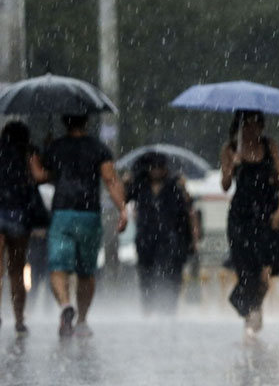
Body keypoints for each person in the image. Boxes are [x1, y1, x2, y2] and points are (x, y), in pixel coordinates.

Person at [42, 114, 127, 337]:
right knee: (86, 271)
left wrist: (45, 149)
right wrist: (123, 209)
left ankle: (64, 304)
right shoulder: (99, 149)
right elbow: (110, 180)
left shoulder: (56, 147)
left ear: (65, 122)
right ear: (86, 122)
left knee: (58, 268)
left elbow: (42, 175)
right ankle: (82, 320)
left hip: (62, 212)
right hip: (89, 215)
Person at [220, 110, 279, 335]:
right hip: (241, 217)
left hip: (266, 217)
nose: (251, 130)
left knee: (265, 273)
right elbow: (225, 185)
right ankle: (251, 315)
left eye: (256, 125)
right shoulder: (230, 149)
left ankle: (249, 306)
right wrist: (233, 165)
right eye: (246, 125)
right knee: (246, 270)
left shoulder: (270, 147)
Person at [125, 152, 199, 316]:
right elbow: (124, 198)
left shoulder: (176, 186)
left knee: (172, 276)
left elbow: (190, 211)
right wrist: (126, 182)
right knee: (146, 276)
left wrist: (194, 239)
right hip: (146, 239)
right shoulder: (140, 186)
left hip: (172, 239)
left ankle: (169, 310)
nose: (157, 171)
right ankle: (148, 309)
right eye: (153, 167)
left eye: (160, 167)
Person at [0, 121, 49, 336]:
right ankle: (19, 319)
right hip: (19, 216)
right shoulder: (28, 153)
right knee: (17, 272)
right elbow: (40, 177)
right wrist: (46, 152)